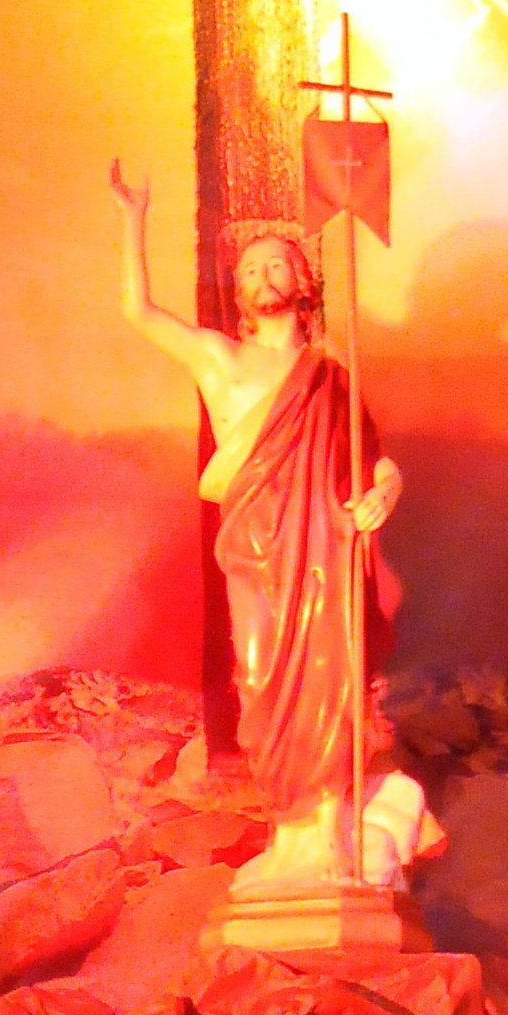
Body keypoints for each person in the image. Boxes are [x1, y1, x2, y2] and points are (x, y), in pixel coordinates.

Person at [112, 163, 405, 875]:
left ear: (303, 283)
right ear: (239, 294)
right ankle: (289, 827)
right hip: (252, 547)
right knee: (261, 680)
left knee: (330, 679)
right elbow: (139, 313)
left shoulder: (334, 376)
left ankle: (327, 832)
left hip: (323, 551)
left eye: (278, 263)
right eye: (251, 269)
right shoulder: (221, 360)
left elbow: (374, 462)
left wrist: (387, 490)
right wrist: (132, 218)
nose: (264, 274)